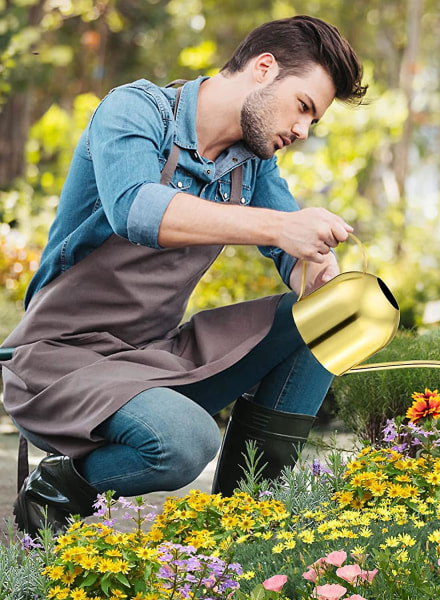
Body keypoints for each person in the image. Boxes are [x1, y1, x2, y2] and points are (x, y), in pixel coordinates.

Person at [1, 15, 367, 535]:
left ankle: (249, 528)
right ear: (264, 68)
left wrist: (317, 276)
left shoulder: (250, 163)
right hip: (63, 358)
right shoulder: (136, 110)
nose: (303, 131)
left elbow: (288, 252)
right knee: (187, 441)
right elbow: (137, 210)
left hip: (152, 358)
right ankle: (61, 487)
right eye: (304, 107)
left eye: (314, 121)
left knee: (328, 317)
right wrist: (281, 226)